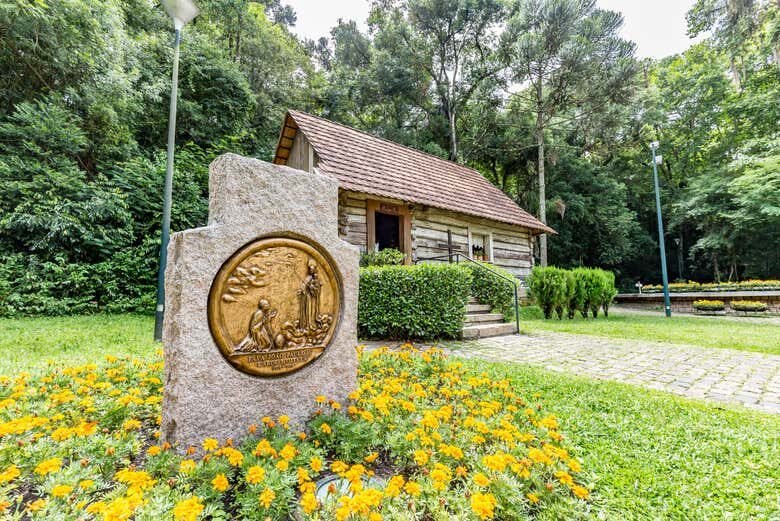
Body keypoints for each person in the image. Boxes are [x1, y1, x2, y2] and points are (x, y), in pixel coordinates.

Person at [298, 260, 321, 330]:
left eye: (312, 269)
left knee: (311, 311)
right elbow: (303, 286)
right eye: (310, 269)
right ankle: (305, 325)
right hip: (306, 298)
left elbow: (317, 290)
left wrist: (312, 288)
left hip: (312, 299)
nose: (311, 270)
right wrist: (303, 290)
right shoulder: (307, 278)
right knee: (306, 311)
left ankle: (311, 325)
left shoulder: (316, 279)